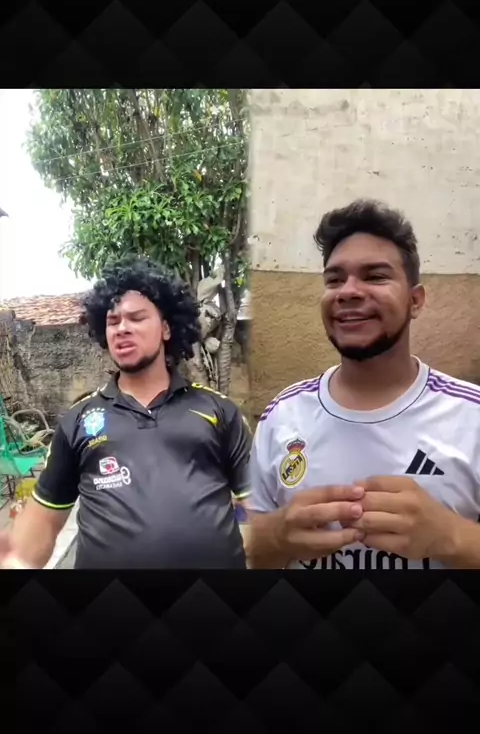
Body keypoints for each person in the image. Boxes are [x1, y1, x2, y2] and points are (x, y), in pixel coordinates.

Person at [248, 199, 480, 570]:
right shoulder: (282, 415)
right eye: (334, 280)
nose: (348, 291)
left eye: (374, 276)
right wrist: (277, 535)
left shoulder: (471, 417)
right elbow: (247, 553)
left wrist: (451, 536)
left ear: (415, 301)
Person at [0, 258, 251, 569]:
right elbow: (44, 522)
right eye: (113, 321)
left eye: (136, 318)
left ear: (166, 328)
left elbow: (261, 508)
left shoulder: (218, 410)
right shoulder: (78, 420)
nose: (122, 329)